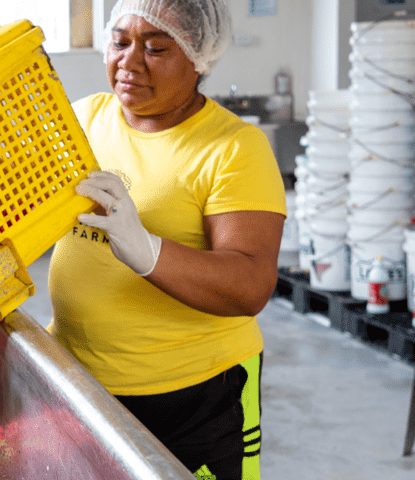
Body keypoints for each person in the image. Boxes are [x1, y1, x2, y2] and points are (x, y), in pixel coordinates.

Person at [47, 1, 286, 479]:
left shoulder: (233, 148)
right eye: (119, 43)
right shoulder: (87, 118)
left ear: (199, 60)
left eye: (156, 48)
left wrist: (148, 251)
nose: (129, 62)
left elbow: (250, 283)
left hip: (194, 398)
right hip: (81, 383)